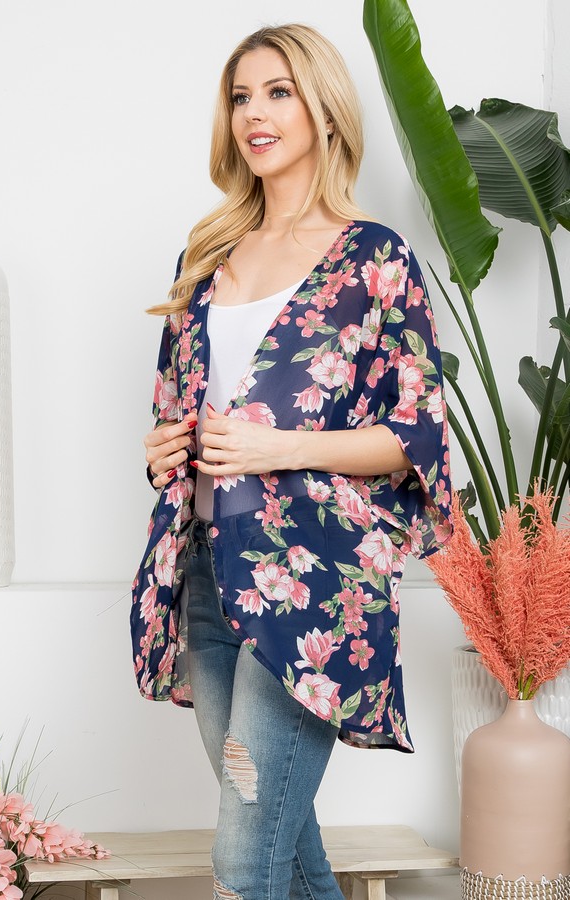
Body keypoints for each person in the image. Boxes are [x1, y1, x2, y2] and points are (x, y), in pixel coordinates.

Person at [130, 23, 452, 900]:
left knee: (245, 857)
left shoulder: (374, 259)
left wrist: (282, 448)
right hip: (206, 576)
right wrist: (164, 450)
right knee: (284, 839)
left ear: (325, 109)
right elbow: (175, 413)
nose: (254, 114)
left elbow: (417, 434)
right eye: (241, 96)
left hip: (311, 585)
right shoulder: (206, 257)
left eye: (278, 92)